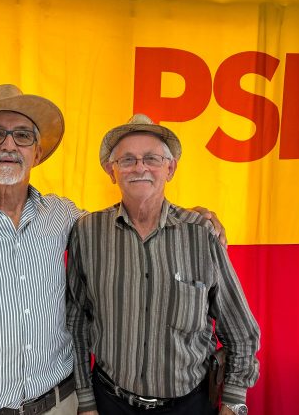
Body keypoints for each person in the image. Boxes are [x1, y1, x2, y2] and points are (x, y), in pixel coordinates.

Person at [0, 86, 226, 415]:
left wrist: (187, 217)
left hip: (61, 405)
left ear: (37, 152)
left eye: (22, 135)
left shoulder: (62, 215)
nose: (9, 145)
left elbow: (126, 227)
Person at [66, 114, 260, 415]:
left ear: (170, 169)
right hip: (110, 403)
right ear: (111, 171)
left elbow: (241, 331)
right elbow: (77, 322)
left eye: (151, 158)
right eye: (127, 160)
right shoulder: (87, 233)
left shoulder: (201, 234)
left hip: (189, 405)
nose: (139, 167)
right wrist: (87, 402)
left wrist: (233, 404)